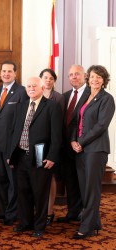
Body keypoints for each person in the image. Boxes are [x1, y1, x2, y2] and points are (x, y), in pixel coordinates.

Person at [9, 77, 62, 238]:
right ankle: (25, 223)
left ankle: (39, 226)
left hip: (41, 157)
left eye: (34, 86)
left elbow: (57, 135)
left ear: (42, 87)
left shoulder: (52, 106)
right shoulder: (21, 106)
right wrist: (11, 155)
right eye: (29, 86)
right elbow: (14, 131)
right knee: (23, 192)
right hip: (20, 156)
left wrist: (52, 156)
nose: (31, 88)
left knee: (40, 193)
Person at [70, 65, 115, 239]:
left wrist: (80, 141)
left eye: (99, 77)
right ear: (88, 79)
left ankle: (87, 227)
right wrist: (73, 140)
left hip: (96, 149)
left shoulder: (107, 99)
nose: (95, 80)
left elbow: (101, 126)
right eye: (92, 77)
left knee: (91, 189)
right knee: (84, 188)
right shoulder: (86, 97)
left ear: (104, 80)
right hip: (80, 149)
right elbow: (75, 121)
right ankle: (94, 222)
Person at [0, 61, 28, 226]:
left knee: (13, 182)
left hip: (12, 146)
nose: (6, 74)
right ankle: (1, 210)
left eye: (9, 71)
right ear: (0, 73)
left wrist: (16, 146)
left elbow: (22, 121)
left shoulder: (22, 92)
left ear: (15, 73)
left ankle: (12, 214)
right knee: (0, 180)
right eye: (4, 71)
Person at [57, 65, 90, 223]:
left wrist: (77, 141)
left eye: (77, 74)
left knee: (83, 182)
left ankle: (86, 214)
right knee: (70, 181)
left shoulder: (92, 94)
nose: (74, 77)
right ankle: (73, 212)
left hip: (83, 147)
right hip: (66, 148)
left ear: (85, 75)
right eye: (71, 75)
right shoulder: (65, 96)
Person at [39, 68, 65, 226]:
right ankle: (39, 210)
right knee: (38, 176)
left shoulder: (59, 98)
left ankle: (49, 211)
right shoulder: (35, 93)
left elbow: (59, 124)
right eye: (46, 77)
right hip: (37, 144)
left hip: (52, 143)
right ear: (41, 79)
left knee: (51, 177)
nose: (48, 80)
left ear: (54, 81)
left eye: (51, 78)